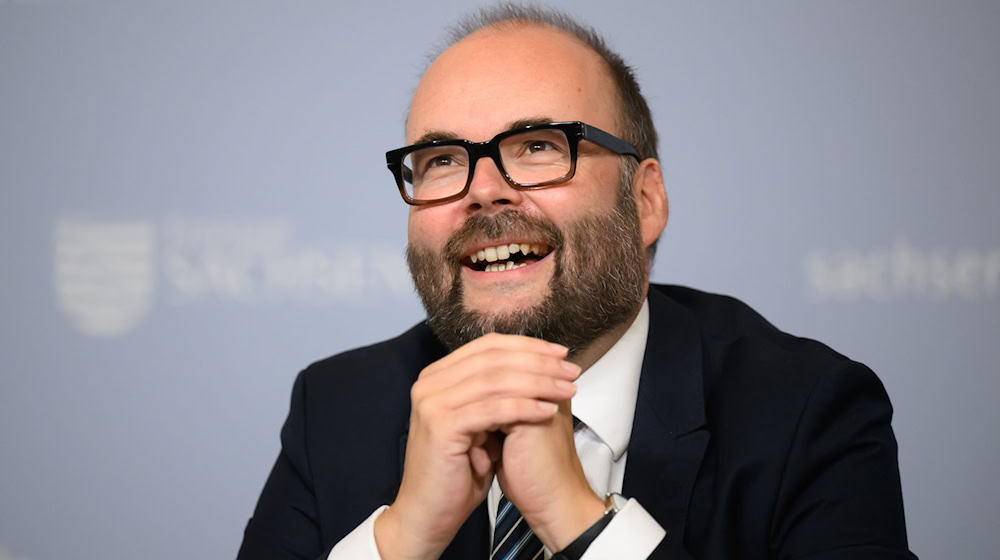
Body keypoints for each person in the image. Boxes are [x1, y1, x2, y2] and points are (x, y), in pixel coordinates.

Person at [237, 5, 916, 560]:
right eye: (442, 160)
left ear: (644, 200)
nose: (484, 192)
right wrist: (403, 537)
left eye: (538, 146)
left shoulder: (805, 410)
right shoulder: (337, 411)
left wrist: (577, 521)